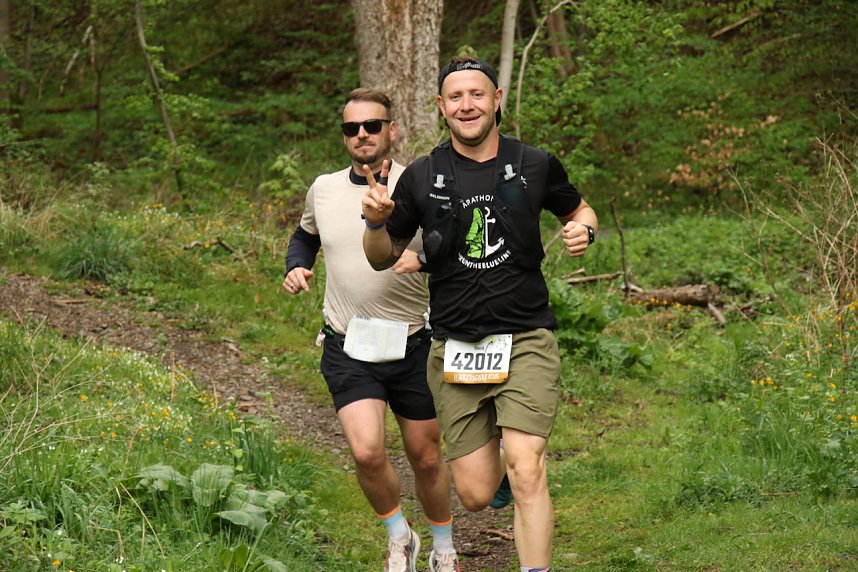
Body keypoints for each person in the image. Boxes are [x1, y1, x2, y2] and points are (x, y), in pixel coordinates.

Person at [361, 56, 598, 572]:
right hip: (456, 346)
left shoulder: (534, 163)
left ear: (497, 99)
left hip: (526, 336)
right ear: (442, 107)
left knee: (529, 466)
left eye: (477, 93)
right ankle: (502, 449)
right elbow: (380, 256)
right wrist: (375, 223)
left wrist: (586, 230)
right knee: (473, 493)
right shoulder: (423, 176)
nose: (466, 104)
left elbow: (578, 209)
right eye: (455, 97)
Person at [283, 88, 461, 572]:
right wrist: (297, 265)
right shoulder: (322, 188)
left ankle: (444, 549)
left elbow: (456, 249)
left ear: (392, 130)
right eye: (351, 128)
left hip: (412, 344)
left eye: (372, 126)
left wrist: (422, 259)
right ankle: (399, 536)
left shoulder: (423, 183)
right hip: (348, 342)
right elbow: (306, 235)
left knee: (425, 457)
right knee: (366, 452)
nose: (361, 134)